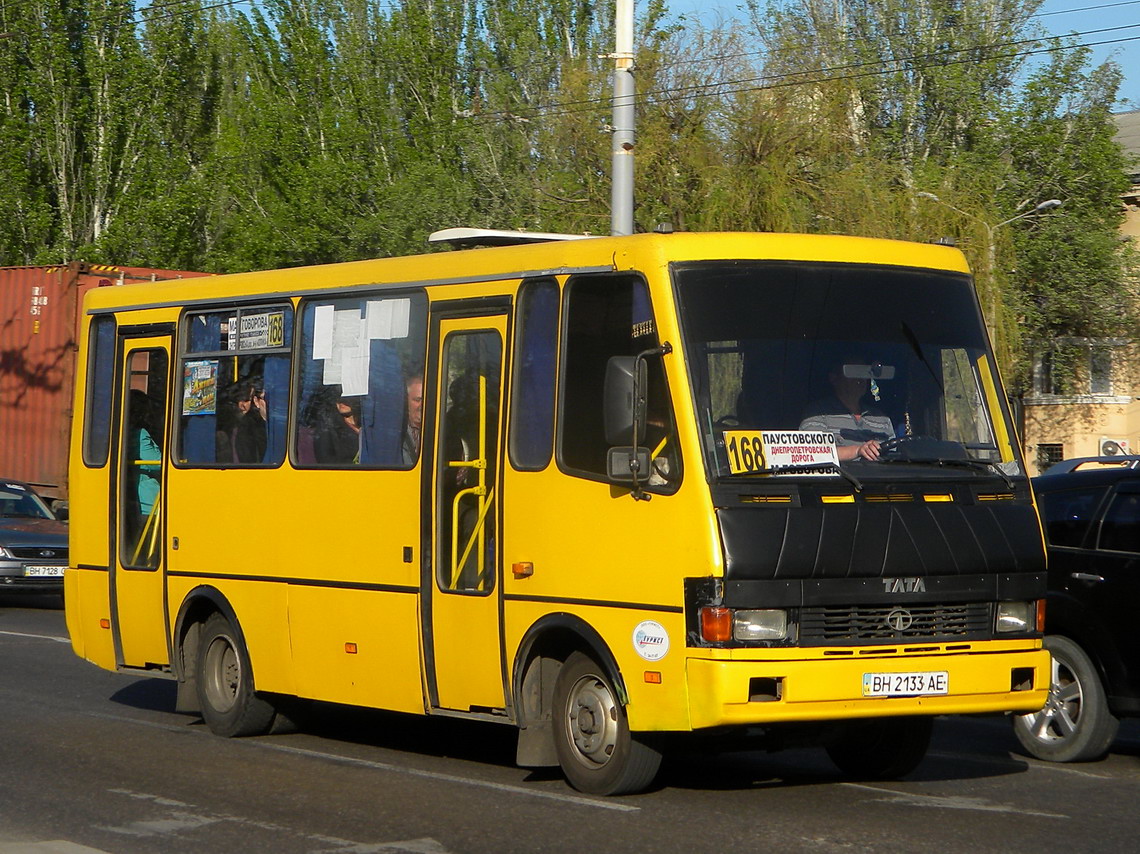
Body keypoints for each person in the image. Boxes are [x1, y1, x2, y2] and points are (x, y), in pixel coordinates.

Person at [799, 356, 895, 462]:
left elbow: (894, 456)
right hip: (840, 478)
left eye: (864, 373)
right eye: (853, 372)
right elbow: (812, 453)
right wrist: (857, 451)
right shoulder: (816, 414)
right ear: (834, 378)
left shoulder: (882, 419)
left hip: (883, 477)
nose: (861, 379)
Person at [402, 375, 423, 465]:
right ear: (406, 401)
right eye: (417, 400)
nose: (422, 405)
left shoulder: (441, 432)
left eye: (427, 399)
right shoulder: (397, 432)